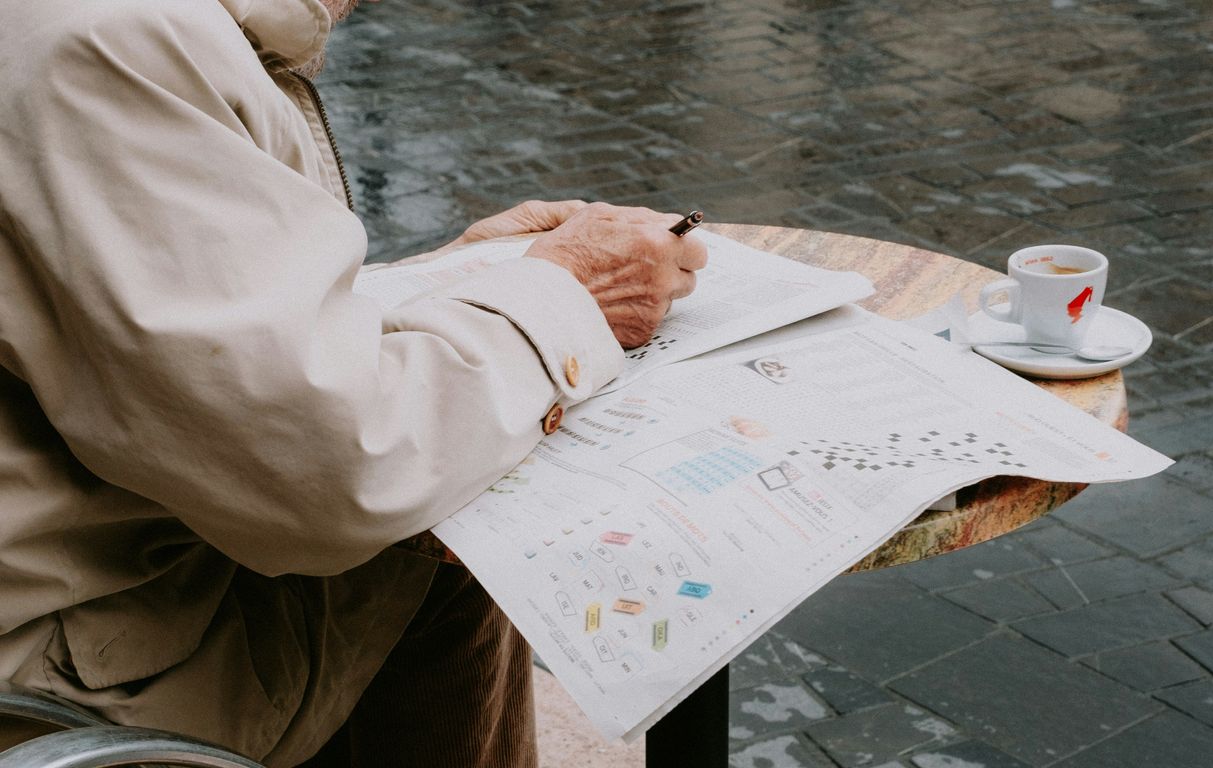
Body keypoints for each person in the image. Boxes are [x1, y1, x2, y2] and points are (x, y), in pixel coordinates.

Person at [0, 0, 706, 765]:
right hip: (57, 670)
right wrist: (570, 298)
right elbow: (337, 467)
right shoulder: (112, 43)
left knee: (464, 450)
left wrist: (457, 282)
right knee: (451, 515)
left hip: (70, 569)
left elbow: (189, 336)